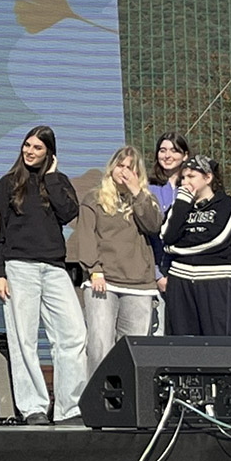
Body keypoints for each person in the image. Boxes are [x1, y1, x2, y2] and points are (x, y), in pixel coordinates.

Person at [0, 126, 87, 425]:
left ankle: (70, 408)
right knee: (24, 340)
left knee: (73, 335)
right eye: (27, 145)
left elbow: (69, 213)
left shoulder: (58, 181)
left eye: (37, 148)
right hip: (19, 266)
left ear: (49, 153)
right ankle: (33, 407)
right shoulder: (7, 184)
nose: (30, 151)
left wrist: (52, 177)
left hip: (55, 267)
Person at [74, 146, 161, 374]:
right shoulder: (94, 198)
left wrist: (136, 191)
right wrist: (94, 269)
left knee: (133, 349)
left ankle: (129, 395)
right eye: (120, 166)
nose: (124, 171)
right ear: (111, 168)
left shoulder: (145, 199)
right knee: (100, 345)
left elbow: (153, 226)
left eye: (130, 168)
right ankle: (99, 393)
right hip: (104, 281)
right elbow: (86, 236)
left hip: (139, 284)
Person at [161, 155, 231, 336]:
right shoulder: (179, 206)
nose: (185, 182)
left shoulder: (227, 204)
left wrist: (175, 249)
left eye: (191, 176)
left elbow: (218, 239)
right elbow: (167, 236)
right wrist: (182, 203)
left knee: (219, 340)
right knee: (182, 341)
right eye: (183, 178)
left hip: (216, 278)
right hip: (180, 278)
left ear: (208, 177)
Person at [148, 131, 191, 334]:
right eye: (162, 150)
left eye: (174, 150)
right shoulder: (148, 187)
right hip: (157, 269)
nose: (167, 155)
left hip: (186, 270)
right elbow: (145, 236)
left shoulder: (195, 187)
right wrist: (157, 274)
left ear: (185, 155)